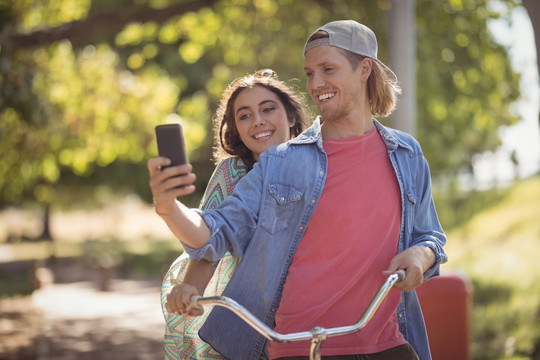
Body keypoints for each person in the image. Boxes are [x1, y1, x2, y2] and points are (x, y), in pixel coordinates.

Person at [149, 20, 448, 360]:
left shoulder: (407, 155)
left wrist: (420, 256)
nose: (316, 83)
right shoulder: (280, 162)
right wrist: (168, 207)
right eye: (309, 73)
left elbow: (430, 236)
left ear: (364, 69)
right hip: (299, 348)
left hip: (389, 345)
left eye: (327, 69)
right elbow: (216, 232)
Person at [155, 69, 310, 359]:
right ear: (236, 128)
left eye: (268, 109)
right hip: (249, 314)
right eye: (244, 115)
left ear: (291, 116)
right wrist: (190, 289)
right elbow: (211, 242)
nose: (258, 121)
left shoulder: (319, 164)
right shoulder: (232, 172)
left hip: (313, 314)